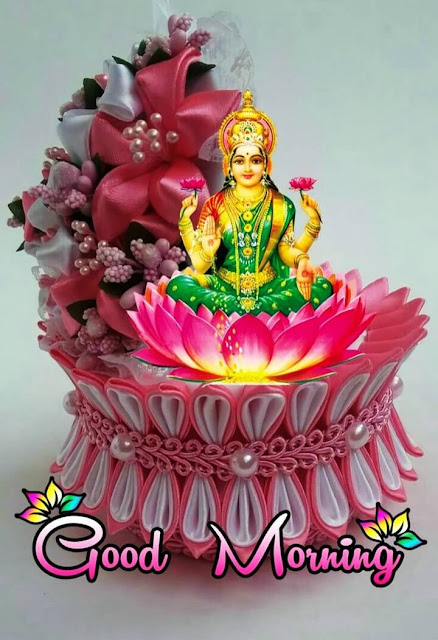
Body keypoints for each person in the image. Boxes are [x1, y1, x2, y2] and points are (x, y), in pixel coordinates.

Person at [167, 90, 333, 315]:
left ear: (266, 165)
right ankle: (261, 315)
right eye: (239, 161)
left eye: (255, 160)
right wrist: (206, 248)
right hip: (223, 287)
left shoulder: (282, 206)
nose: (247, 168)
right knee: (177, 287)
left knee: (322, 288)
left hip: (268, 287)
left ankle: (233, 314)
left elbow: (285, 251)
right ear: (229, 166)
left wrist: (302, 260)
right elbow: (201, 266)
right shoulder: (215, 205)